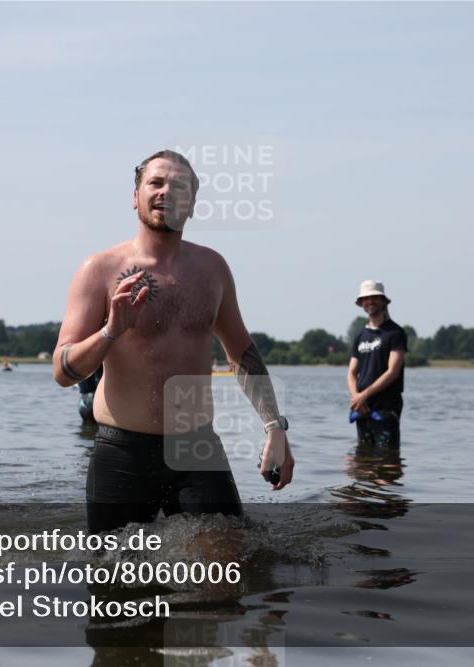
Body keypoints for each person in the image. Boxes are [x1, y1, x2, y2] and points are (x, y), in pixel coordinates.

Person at [53, 149, 295, 534]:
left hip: (196, 448)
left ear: (193, 205)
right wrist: (111, 330)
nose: (166, 191)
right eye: (156, 182)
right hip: (122, 452)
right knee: (114, 569)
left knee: (230, 560)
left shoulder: (212, 269)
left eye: (179, 186)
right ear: (135, 197)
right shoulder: (99, 269)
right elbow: (63, 371)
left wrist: (274, 428)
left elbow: (241, 353)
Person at [347, 280, 407, 448]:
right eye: (366, 298)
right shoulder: (360, 335)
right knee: (363, 456)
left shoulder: (396, 333)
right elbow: (352, 373)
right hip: (362, 408)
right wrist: (356, 399)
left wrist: (363, 395)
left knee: (387, 457)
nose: (370, 301)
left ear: (383, 301)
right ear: (361, 303)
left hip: (386, 407)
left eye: (374, 297)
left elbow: (392, 372)